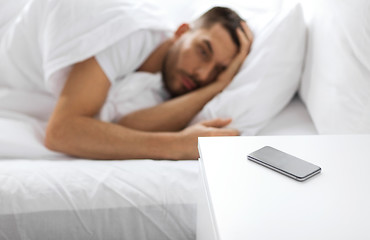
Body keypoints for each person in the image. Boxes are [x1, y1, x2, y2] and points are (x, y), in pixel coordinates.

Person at [43, 6, 253, 160]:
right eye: (203, 52)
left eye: (219, 70)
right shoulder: (130, 33)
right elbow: (61, 132)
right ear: (181, 32)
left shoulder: (169, 84)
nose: (203, 74)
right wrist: (177, 145)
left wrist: (216, 87)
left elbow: (123, 127)